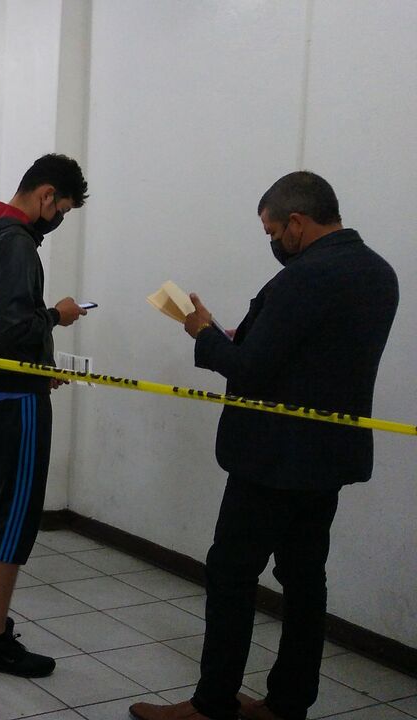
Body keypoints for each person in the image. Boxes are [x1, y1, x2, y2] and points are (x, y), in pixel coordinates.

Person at [130, 172, 399, 720]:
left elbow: (250, 370)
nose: (273, 242)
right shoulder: (378, 272)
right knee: (304, 582)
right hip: (329, 460)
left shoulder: (305, 277)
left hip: (272, 461)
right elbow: (311, 356)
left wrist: (203, 333)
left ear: (296, 222)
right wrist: (237, 337)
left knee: (231, 574)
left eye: (273, 232)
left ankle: (212, 704)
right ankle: (287, 704)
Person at [0, 153, 88, 678]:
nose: (59, 220)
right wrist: (58, 315)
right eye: (63, 210)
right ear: (47, 195)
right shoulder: (16, 243)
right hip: (14, 399)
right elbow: (12, 329)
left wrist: (39, 366)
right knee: (16, 514)